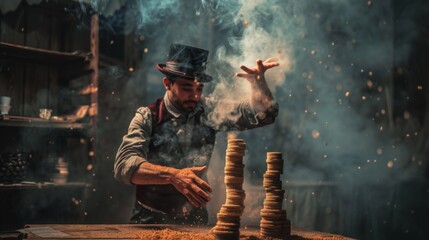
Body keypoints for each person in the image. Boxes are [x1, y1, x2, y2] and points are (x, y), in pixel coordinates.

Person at [114, 43, 279, 225]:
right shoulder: (147, 117)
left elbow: (263, 115)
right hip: (149, 219)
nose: (194, 96)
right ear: (167, 83)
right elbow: (124, 166)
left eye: (199, 88)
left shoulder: (209, 110)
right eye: (186, 88)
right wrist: (173, 175)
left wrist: (259, 85)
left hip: (195, 219)